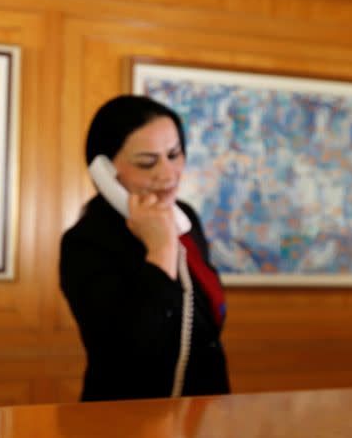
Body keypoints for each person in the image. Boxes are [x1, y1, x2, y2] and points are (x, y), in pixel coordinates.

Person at [59, 95, 230, 402]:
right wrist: (161, 251)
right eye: (147, 162)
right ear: (105, 171)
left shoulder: (185, 218)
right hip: (127, 429)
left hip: (204, 420)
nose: (167, 173)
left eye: (174, 154)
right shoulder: (86, 243)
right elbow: (129, 352)